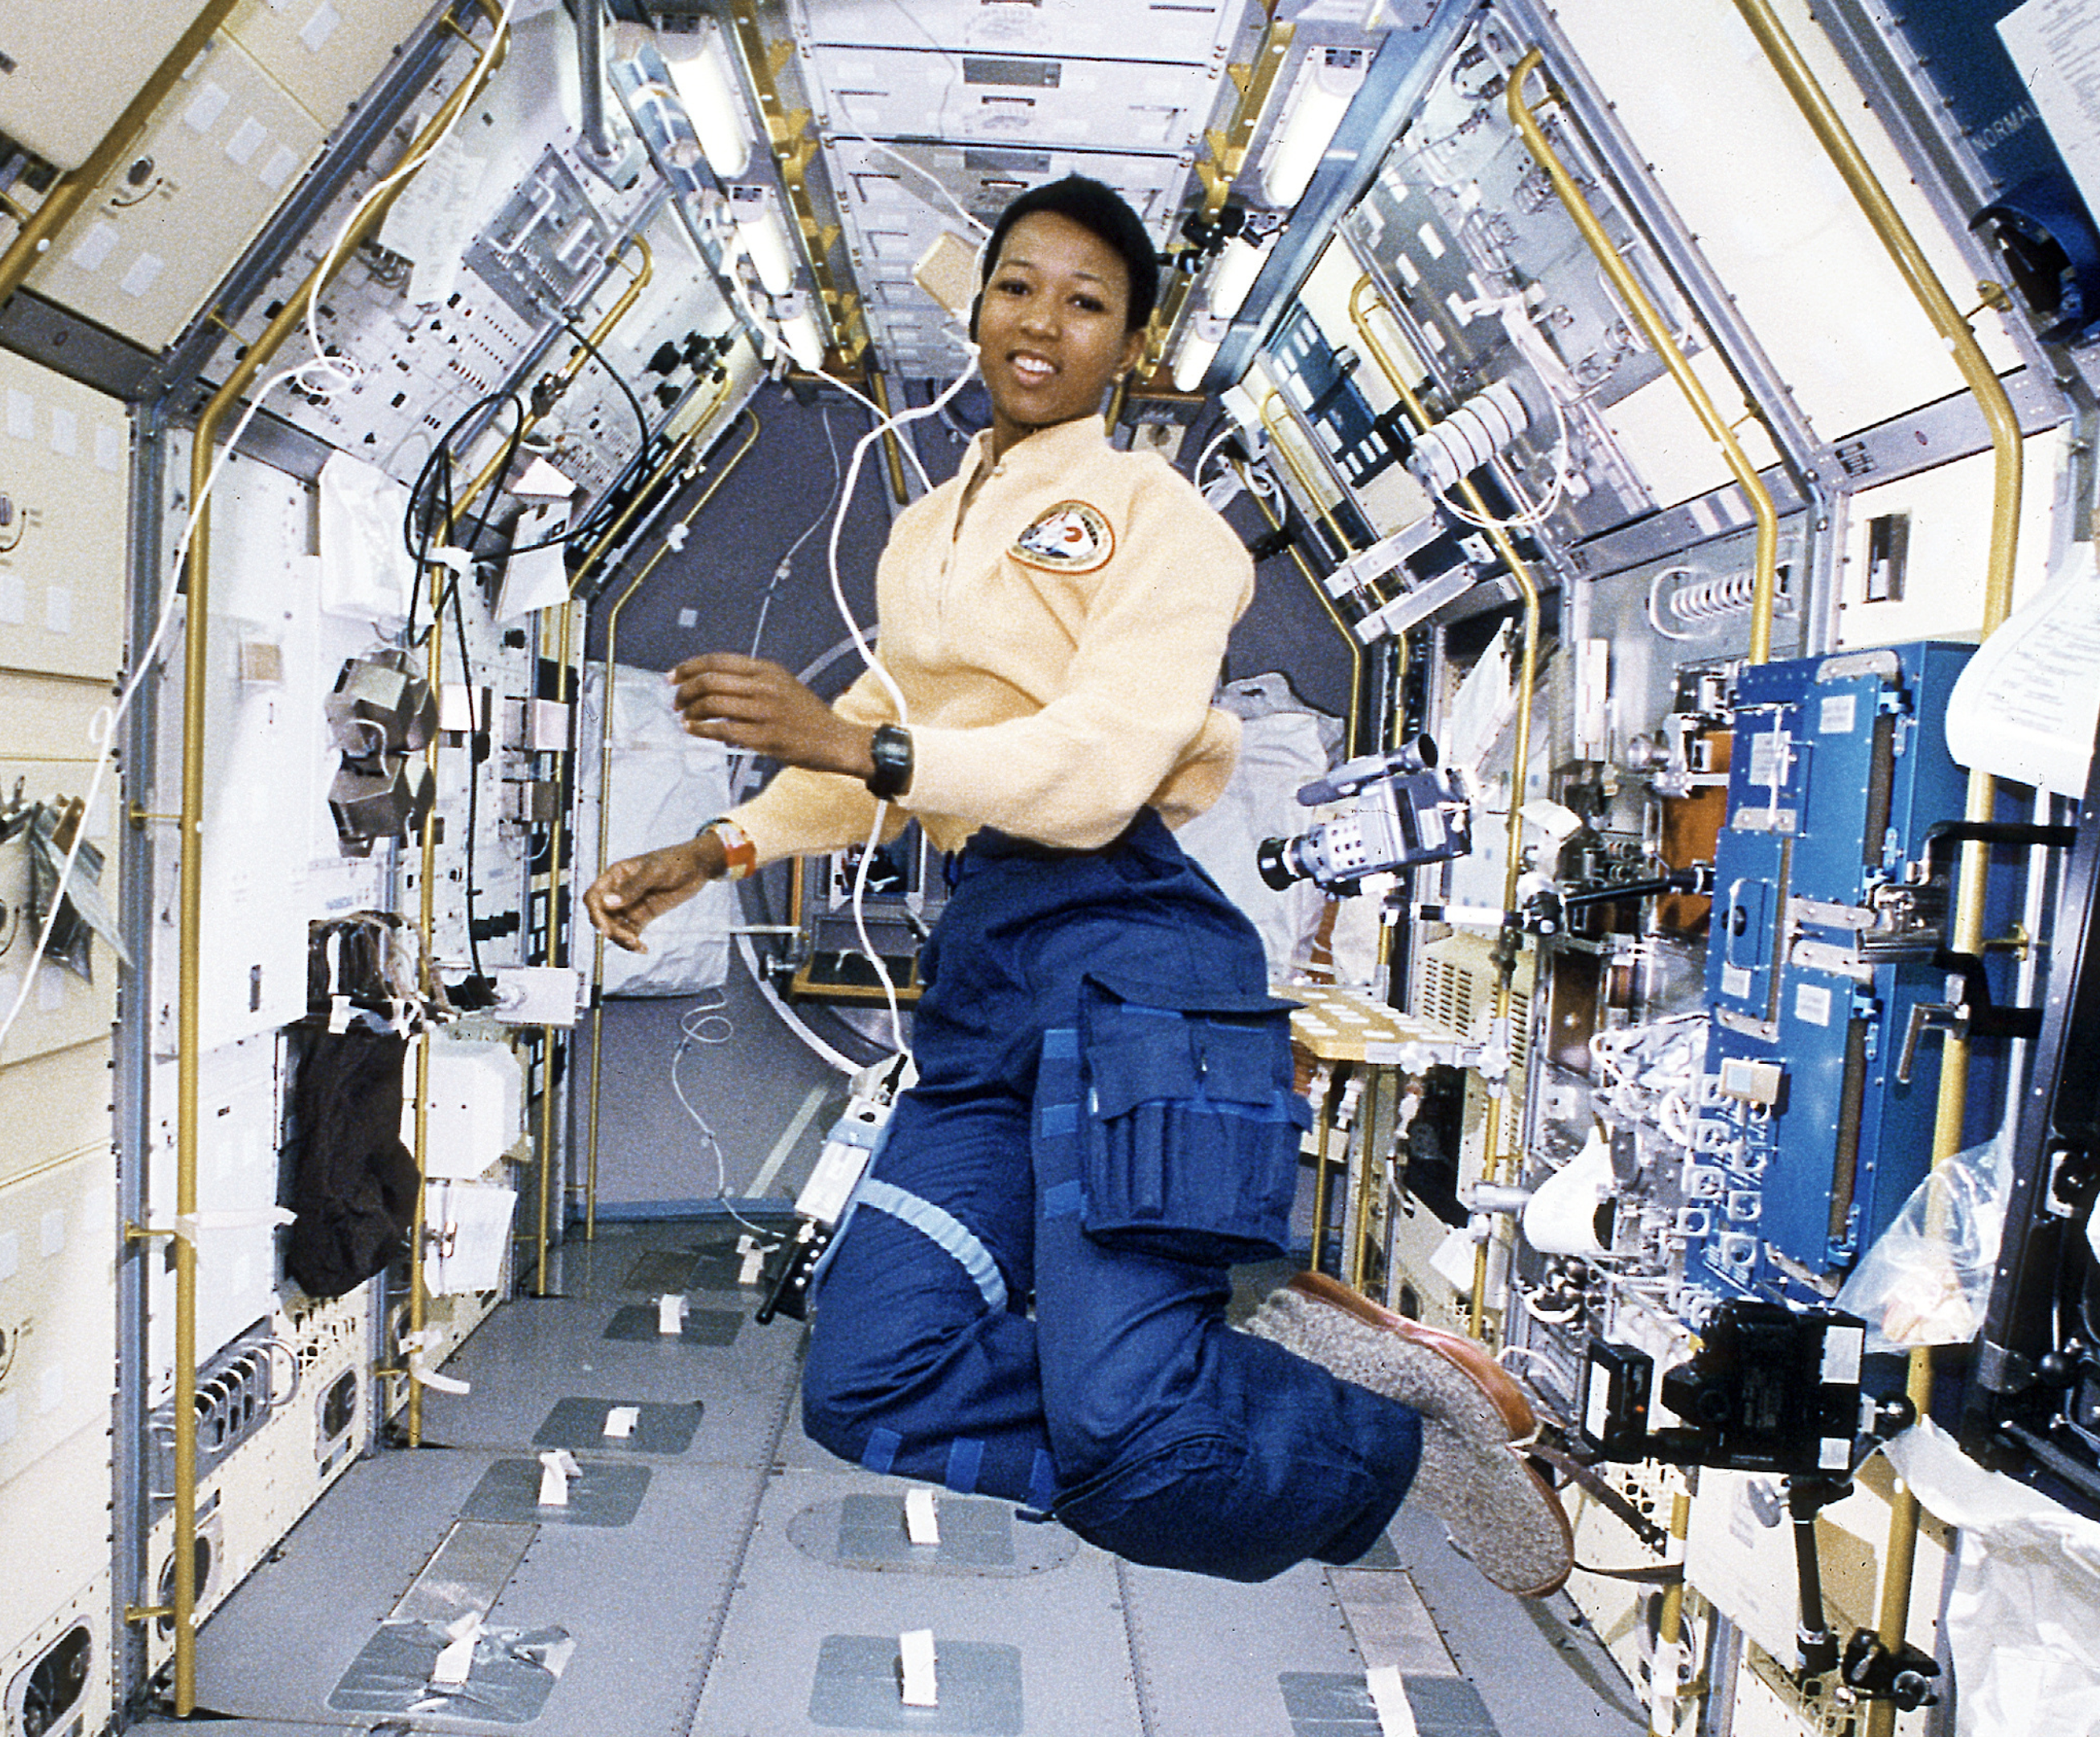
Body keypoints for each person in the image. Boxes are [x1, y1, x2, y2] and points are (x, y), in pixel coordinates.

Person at [585, 176, 1572, 1591]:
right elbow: (891, 711)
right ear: (977, 306)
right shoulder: (931, 533)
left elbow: (1099, 763)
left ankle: (1383, 1435)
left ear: (1133, 350)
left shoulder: (1164, 523)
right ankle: (1240, 1380)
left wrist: (863, 743)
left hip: (1134, 949)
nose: (1041, 322)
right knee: (866, 1384)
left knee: (1132, 1431)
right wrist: (714, 850)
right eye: (1016, 288)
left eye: (1086, 303)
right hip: (988, 966)